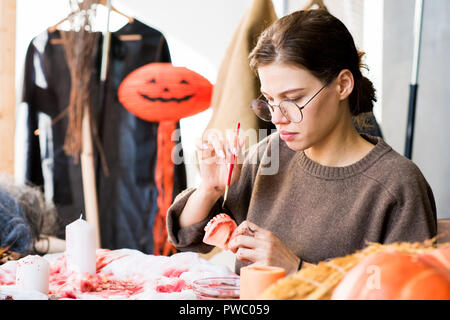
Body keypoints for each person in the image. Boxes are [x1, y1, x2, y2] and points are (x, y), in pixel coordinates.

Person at [166, 10, 437, 275]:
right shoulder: (266, 155)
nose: (277, 118)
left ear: (343, 85)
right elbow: (191, 239)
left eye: (293, 99)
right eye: (269, 101)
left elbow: (407, 291)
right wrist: (210, 189)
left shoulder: (397, 184)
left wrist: (297, 268)